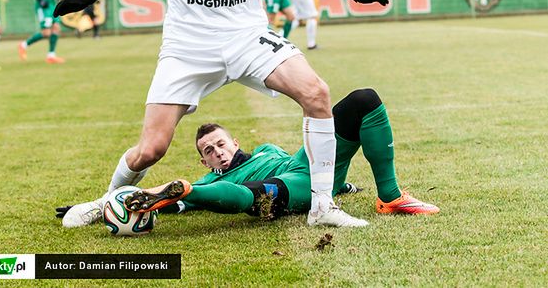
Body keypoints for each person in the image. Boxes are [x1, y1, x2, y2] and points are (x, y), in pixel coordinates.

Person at [53, 0, 389, 228]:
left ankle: (322, 206)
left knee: (316, 93)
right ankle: (107, 203)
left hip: (246, 36)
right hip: (187, 46)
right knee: (151, 149)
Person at [57, 89, 439, 224]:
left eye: (221, 144)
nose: (217, 151)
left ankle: (389, 196)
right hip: (284, 189)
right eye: (209, 152)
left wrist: (347, 185)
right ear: (204, 164)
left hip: (312, 168)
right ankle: (184, 189)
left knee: (364, 101)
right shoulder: (214, 179)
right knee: (253, 193)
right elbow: (170, 208)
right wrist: (106, 203)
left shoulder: (267, 151)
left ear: (235, 141)